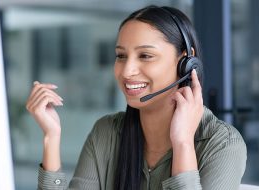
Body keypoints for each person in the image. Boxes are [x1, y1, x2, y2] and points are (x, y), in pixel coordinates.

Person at [26, 5, 246, 190]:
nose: (127, 71)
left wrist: (183, 144)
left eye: (146, 56)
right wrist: (51, 138)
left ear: (186, 62)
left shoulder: (222, 144)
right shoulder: (107, 133)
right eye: (121, 56)